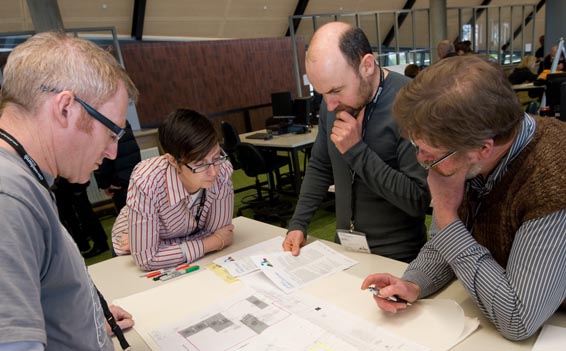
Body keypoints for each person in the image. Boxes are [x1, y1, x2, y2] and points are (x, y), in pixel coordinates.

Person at [361, 55, 566, 341]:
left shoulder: (554, 177)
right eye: (416, 147)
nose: (422, 162)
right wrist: (414, 282)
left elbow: (518, 319)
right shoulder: (466, 154)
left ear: (483, 148)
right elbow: (445, 245)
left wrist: (446, 214)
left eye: (431, 154)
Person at [0, 32, 138, 350]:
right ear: (65, 109)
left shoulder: (25, 179)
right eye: (111, 131)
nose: (112, 153)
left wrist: (83, 320)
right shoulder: (9, 198)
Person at [283, 22, 430, 262]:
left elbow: (417, 200)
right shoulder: (333, 103)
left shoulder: (411, 103)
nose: (330, 105)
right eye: (322, 94)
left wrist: (356, 151)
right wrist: (299, 223)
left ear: (367, 66)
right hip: (345, 250)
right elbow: (320, 167)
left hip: (398, 258)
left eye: (336, 91)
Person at [112, 108, 234, 271]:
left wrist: (156, 245)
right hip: (127, 258)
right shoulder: (146, 180)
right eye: (199, 164)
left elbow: (220, 232)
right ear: (173, 161)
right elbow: (146, 259)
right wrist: (212, 243)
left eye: (216, 157)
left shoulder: (222, 169)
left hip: (189, 255)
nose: (213, 171)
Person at [53, 177, 110, 258]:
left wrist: (80, 186)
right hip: (68, 184)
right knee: (76, 215)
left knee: (85, 214)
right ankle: (88, 244)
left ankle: (100, 243)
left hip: (72, 184)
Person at [94, 120, 141, 213]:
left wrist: (105, 183)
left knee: (126, 219)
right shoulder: (122, 119)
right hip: (134, 176)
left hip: (119, 182)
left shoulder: (101, 124)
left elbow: (103, 159)